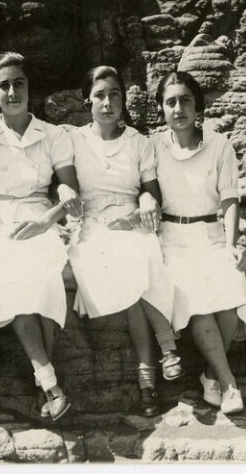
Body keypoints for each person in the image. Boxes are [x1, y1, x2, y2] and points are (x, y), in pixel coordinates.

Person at [0, 52, 83, 421]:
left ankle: (46, 382)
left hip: (40, 216)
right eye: (4, 85)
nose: (12, 92)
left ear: (30, 87)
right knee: (12, 277)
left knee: (45, 275)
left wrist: (45, 222)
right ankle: (51, 384)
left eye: (19, 83)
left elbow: (69, 191)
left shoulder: (54, 134)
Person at [66, 66, 183, 417]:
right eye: (100, 95)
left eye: (114, 94)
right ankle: (164, 351)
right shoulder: (72, 140)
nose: (107, 102)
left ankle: (150, 377)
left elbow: (151, 192)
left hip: (132, 220)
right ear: (87, 101)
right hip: (92, 226)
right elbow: (63, 184)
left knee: (142, 252)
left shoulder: (138, 142)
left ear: (123, 99)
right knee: (129, 269)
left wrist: (142, 207)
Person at [151, 71, 246, 415]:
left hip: (212, 236)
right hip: (171, 240)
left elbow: (230, 199)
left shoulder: (219, 145)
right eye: (171, 102)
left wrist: (232, 244)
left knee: (230, 291)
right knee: (198, 302)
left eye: (185, 101)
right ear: (162, 108)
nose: (178, 109)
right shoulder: (153, 147)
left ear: (198, 106)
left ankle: (210, 375)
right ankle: (229, 384)